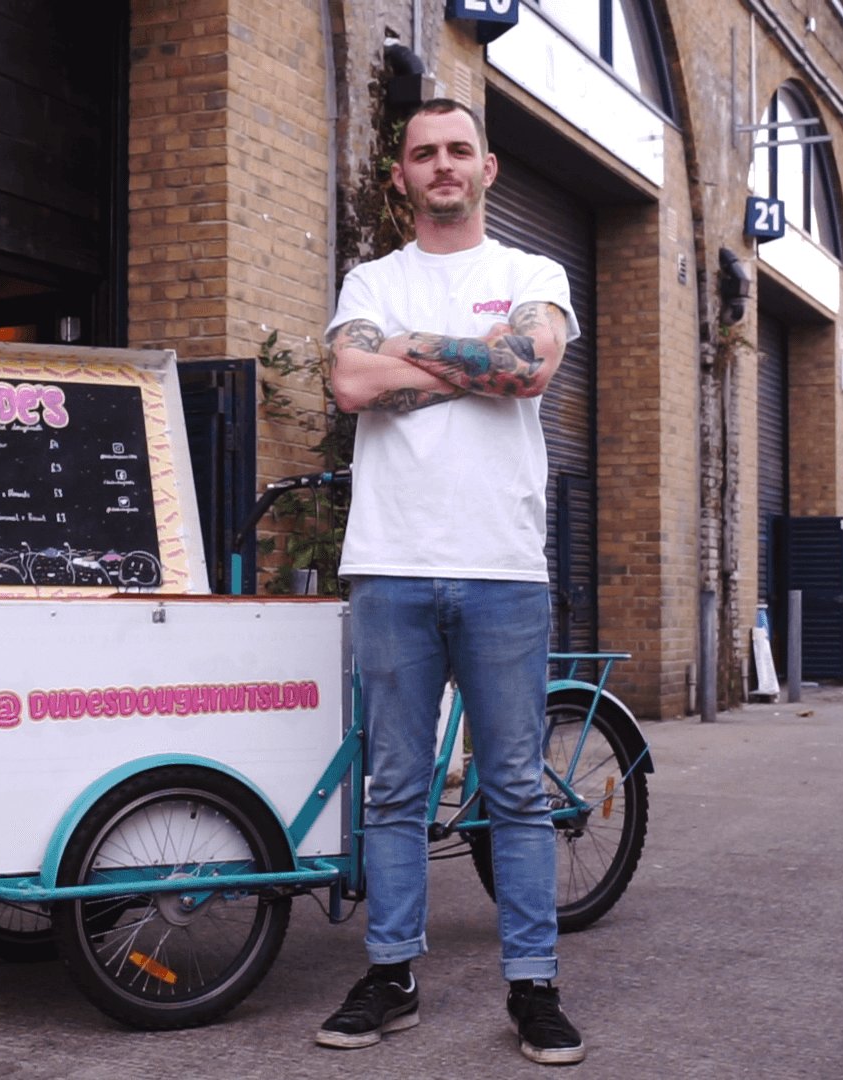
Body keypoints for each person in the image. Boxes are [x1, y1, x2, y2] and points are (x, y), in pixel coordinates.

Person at [314, 97, 584, 1066]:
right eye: (424, 152)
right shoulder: (371, 278)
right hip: (390, 563)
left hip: (500, 565)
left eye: (458, 149)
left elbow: (530, 369)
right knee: (394, 787)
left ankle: (534, 986)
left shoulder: (530, 273)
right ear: (402, 175)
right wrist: (475, 362)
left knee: (514, 788)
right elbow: (349, 384)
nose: (442, 165)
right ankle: (391, 976)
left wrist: (403, 350)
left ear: (486, 167)